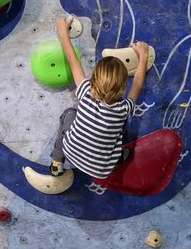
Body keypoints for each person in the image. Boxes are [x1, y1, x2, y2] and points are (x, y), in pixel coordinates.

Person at [49, 17, 149, 179]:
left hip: (71, 153)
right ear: (123, 86)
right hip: (101, 170)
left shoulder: (85, 90)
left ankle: (57, 160)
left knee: (69, 113)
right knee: (118, 131)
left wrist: (63, 32)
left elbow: (73, 60)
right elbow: (138, 82)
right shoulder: (124, 109)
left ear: (94, 78)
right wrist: (143, 55)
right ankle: (117, 158)